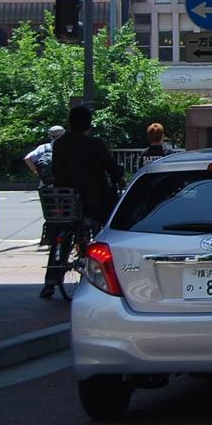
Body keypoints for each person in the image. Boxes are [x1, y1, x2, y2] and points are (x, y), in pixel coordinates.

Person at [43, 105, 123, 298]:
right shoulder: (94, 143)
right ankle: (103, 269)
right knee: (110, 222)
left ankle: (50, 281)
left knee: (61, 231)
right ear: (89, 123)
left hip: (65, 199)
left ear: (70, 123)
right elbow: (110, 165)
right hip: (92, 199)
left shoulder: (59, 144)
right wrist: (118, 177)